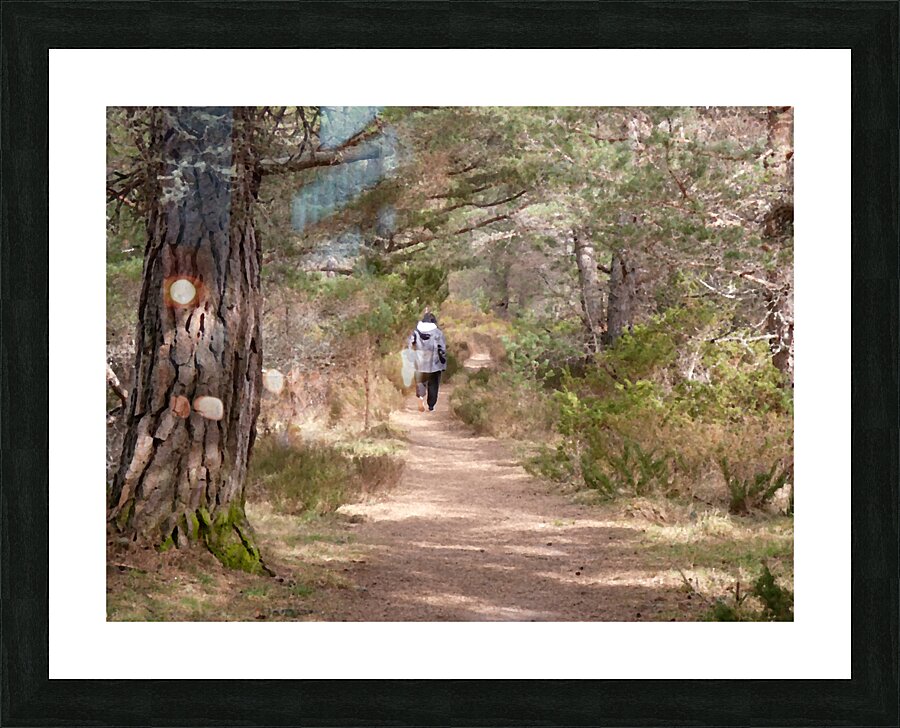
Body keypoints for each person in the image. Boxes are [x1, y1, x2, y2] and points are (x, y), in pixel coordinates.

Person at [408, 312, 447, 412]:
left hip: (419, 362)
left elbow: (409, 343)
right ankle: (431, 406)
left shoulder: (416, 331)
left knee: (421, 382)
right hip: (434, 363)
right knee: (433, 385)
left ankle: (420, 397)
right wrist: (443, 361)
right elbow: (441, 349)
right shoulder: (438, 333)